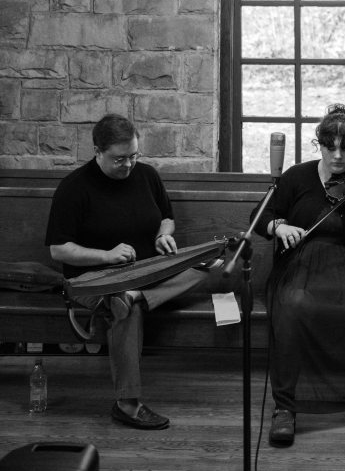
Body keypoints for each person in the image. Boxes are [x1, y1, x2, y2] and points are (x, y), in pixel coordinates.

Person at [45, 114, 222, 430]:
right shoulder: (74, 188)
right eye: (119, 159)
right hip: (93, 280)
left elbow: (166, 217)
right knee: (124, 310)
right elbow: (58, 250)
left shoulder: (147, 176)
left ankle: (137, 293)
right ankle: (128, 404)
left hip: (147, 271)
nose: (128, 165)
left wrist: (163, 234)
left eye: (134, 156)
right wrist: (107, 255)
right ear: (98, 151)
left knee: (211, 263)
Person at [253, 104, 345, 446]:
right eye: (329, 147)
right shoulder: (295, 177)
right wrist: (280, 227)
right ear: (317, 144)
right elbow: (262, 215)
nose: (338, 156)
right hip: (300, 265)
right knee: (291, 305)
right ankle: (286, 407)